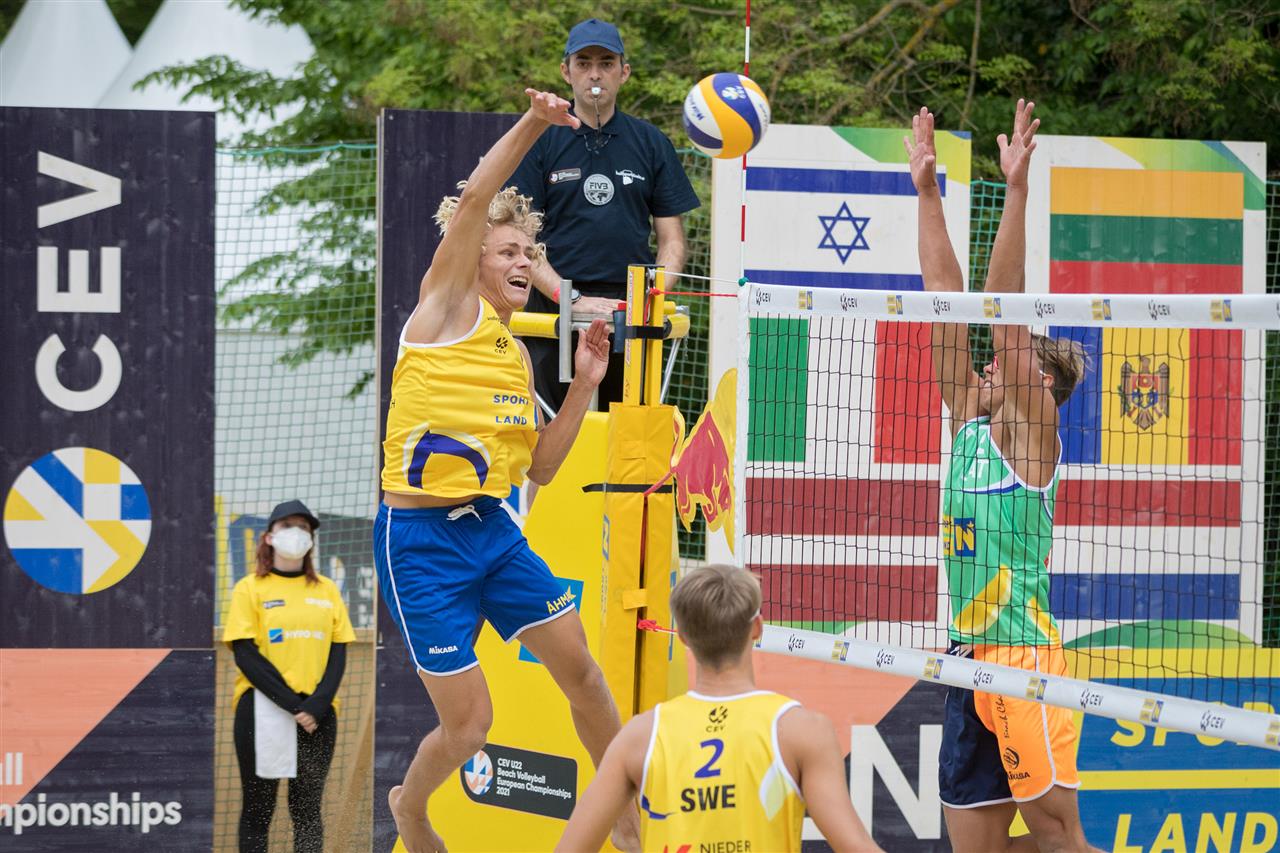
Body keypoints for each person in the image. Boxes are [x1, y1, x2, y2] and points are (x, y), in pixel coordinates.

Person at [375, 87, 637, 853]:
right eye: (509, 252)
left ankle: (627, 820)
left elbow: (543, 468)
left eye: (530, 253)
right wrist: (535, 123)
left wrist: (584, 384)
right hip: (420, 541)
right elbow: (475, 201)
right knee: (469, 728)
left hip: (492, 527)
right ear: (475, 261)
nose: (523, 261)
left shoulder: (516, 353)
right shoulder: (444, 307)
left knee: (584, 673)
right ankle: (410, 807)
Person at [904, 101, 1100, 852]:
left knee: (1058, 837)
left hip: (1024, 661)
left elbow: (1002, 318)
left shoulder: (1031, 435)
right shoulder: (967, 419)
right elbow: (947, 303)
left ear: (1040, 386)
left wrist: (1015, 190)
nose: (986, 365)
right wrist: (927, 192)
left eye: (1008, 364)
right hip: (967, 657)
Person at [556, 564, 882, 853]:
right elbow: (856, 847)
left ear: (683, 637)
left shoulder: (639, 738)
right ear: (757, 628)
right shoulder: (801, 730)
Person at [509, 17, 701, 413]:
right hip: (555, 311)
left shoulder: (651, 143)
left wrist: (649, 297)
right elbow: (522, 240)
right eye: (583, 63)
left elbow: (672, 241)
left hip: (629, 312)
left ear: (623, 72)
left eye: (606, 63)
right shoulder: (540, 140)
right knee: (553, 433)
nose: (595, 74)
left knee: (627, 435)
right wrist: (570, 298)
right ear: (566, 72)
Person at [223, 499, 356, 853]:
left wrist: (316, 705)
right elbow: (246, 655)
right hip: (262, 711)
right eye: (287, 526)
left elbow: (338, 652)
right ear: (268, 536)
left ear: (311, 539)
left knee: (307, 809)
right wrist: (294, 705)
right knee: (258, 809)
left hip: (318, 715)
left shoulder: (327, 590)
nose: (296, 533)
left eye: (304, 527)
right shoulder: (250, 588)